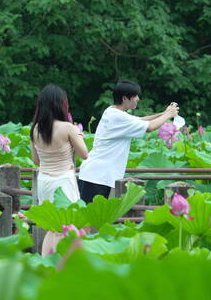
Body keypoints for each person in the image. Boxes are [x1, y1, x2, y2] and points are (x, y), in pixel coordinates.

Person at [78, 80, 179, 202]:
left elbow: (140, 120)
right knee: (91, 218)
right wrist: (168, 115)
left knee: (92, 217)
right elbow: (149, 127)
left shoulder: (111, 111)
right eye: (135, 96)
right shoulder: (118, 117)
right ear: (125, 98)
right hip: (98, 176)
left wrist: (164, 113)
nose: (138, 99)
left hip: (95, 174)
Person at [29, 84, 88, 255]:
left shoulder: (35, 129)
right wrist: (79, 137)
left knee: (53, 227)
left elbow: (36, 160)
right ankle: (63, 263)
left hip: (44, 181)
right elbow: (84, 154)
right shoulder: (69, 128)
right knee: (67, 226)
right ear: (62, 104)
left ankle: (47, 262)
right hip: (64, 181)